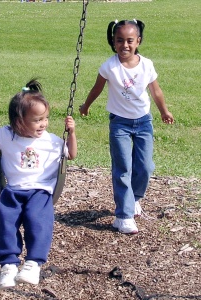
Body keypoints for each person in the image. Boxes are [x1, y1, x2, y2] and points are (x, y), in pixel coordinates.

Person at [0, 79, 77, 289]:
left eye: (46, 118)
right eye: (37, 120)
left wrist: (72, 133)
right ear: (19, 122)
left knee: (37, 222)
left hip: (40, 191)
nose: (44, 123)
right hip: (12, 190)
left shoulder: (51, 141)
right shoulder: (7, 135)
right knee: (6, 225)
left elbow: (72, 154)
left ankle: (33, 264)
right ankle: (9, 266)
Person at [79, 19, 174, 234]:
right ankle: (123, 216)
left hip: (143, 121)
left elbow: (155, 91)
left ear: (138, 41)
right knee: (122, 168)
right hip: (119, 123)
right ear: (113, 42)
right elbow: (97, 89)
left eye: (130, 41)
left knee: (146, 166)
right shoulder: (109, 67)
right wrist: (85, 106)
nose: (125, 45)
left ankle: (134, 198)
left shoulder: (147, 65)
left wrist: (164, 110)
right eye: (119, 40)